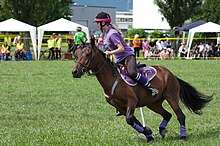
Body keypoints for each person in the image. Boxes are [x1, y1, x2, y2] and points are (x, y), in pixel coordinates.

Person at [94, 12, 159, 97]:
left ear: (103, 23)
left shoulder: (112, 33)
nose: (96, 25)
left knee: (132, 73)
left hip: (127, 56)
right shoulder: (106, 33)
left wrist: (110, 53)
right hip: (119, 59)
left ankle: (150, 88)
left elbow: (121, 48)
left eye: (97, 23)